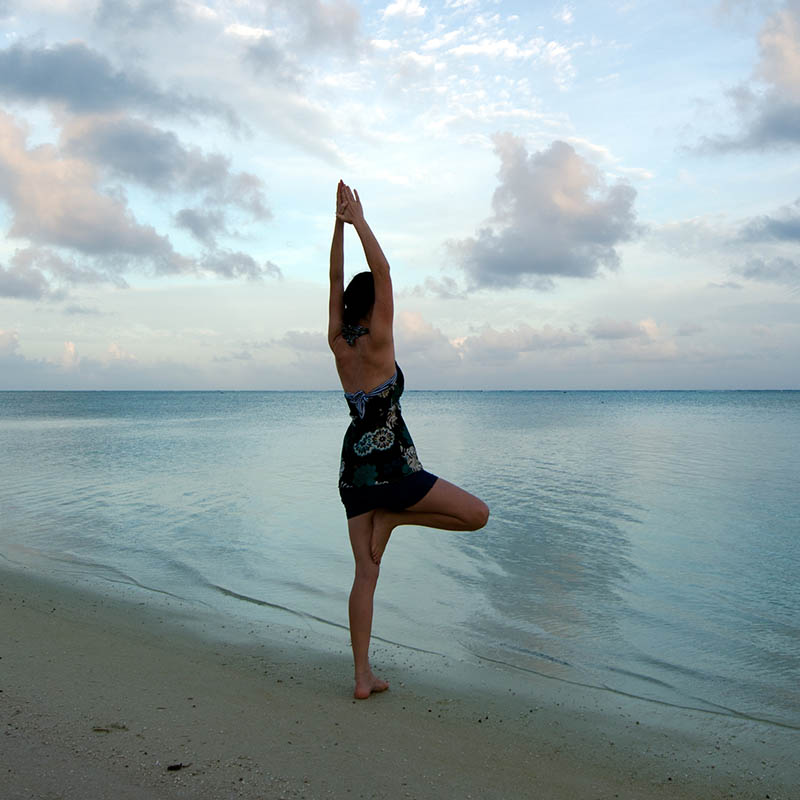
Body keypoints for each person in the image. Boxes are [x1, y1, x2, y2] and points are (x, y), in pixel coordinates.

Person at [328, 181, 489, 700]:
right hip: (395, 470)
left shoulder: (338, 343)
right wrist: (358, 220)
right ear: (374, 308)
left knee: (365, 575)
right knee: (477, 514)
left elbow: (335, 277)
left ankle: (361, 677)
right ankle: (397, 517)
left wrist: (338, 225)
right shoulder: (379, 340)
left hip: (354, 470)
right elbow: (385, 272)